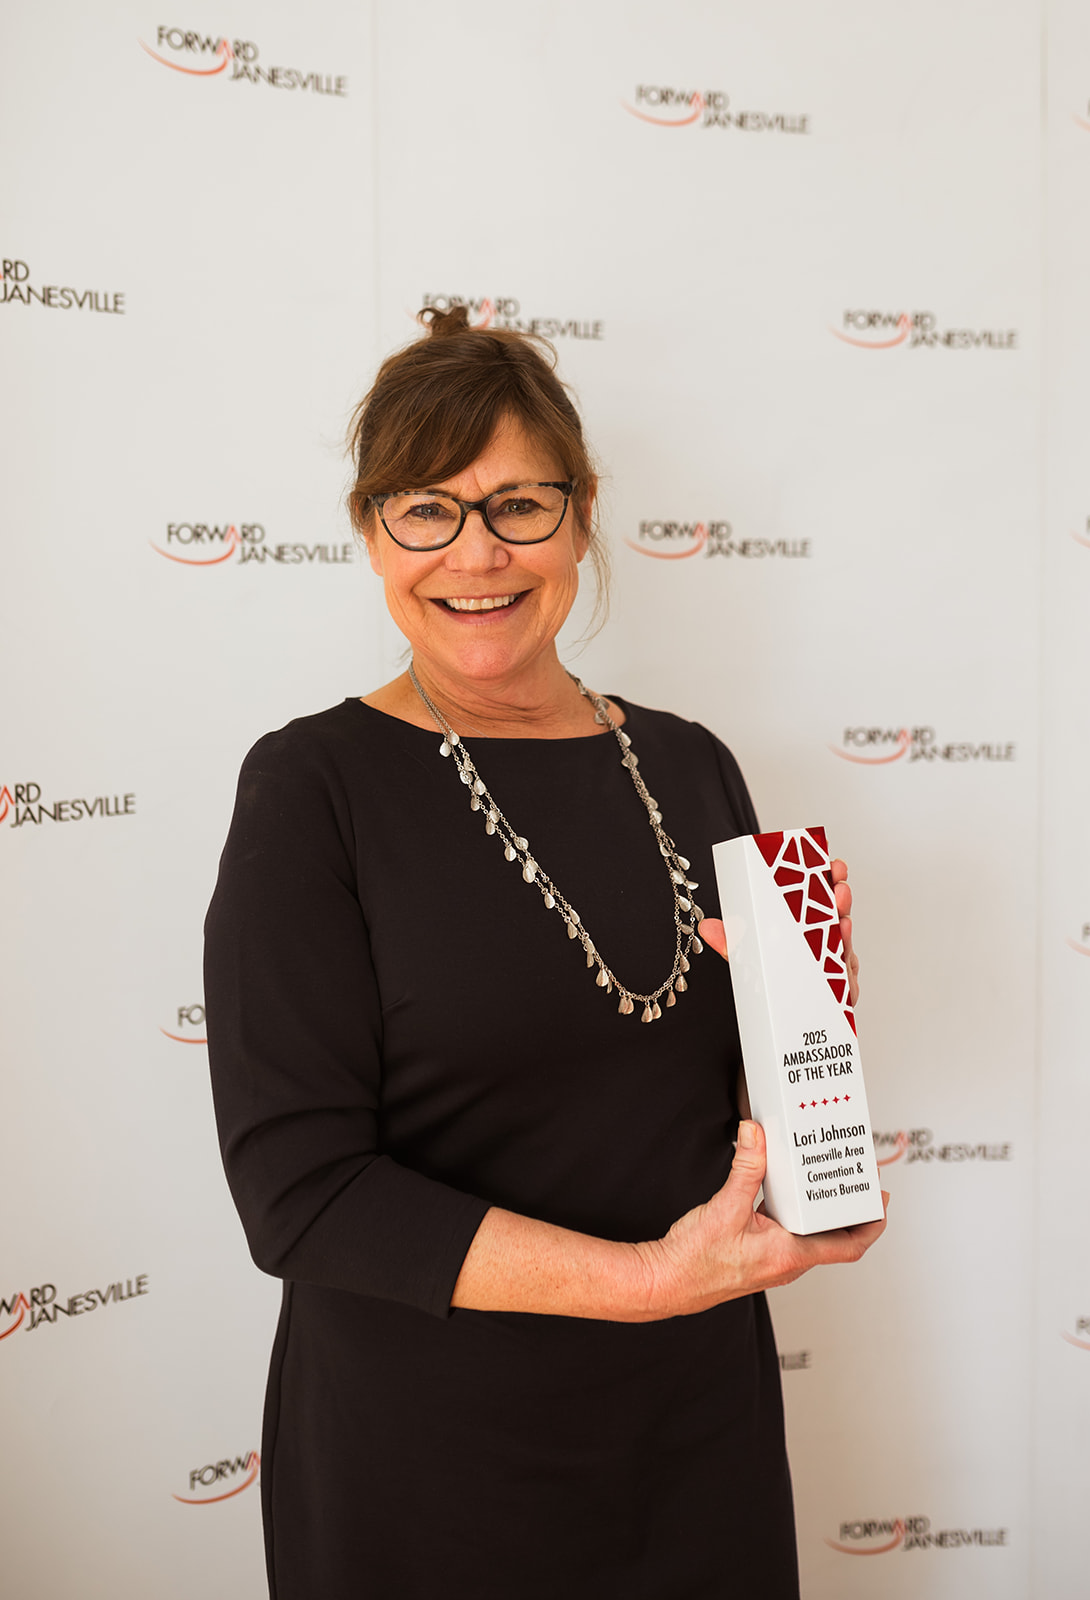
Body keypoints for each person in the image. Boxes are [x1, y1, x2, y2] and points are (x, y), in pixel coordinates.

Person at [203, 307, 887, 1600]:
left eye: (519, 505)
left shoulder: (691, 763)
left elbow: (721, 1108)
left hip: (695, 1431)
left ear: (579, 518)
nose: (477, 553)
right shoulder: (313, 788)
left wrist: (808, 1026)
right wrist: (645, 1282)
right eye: (426, 510)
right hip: (427, 1466)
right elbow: (300, 1192)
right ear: (370, 533)